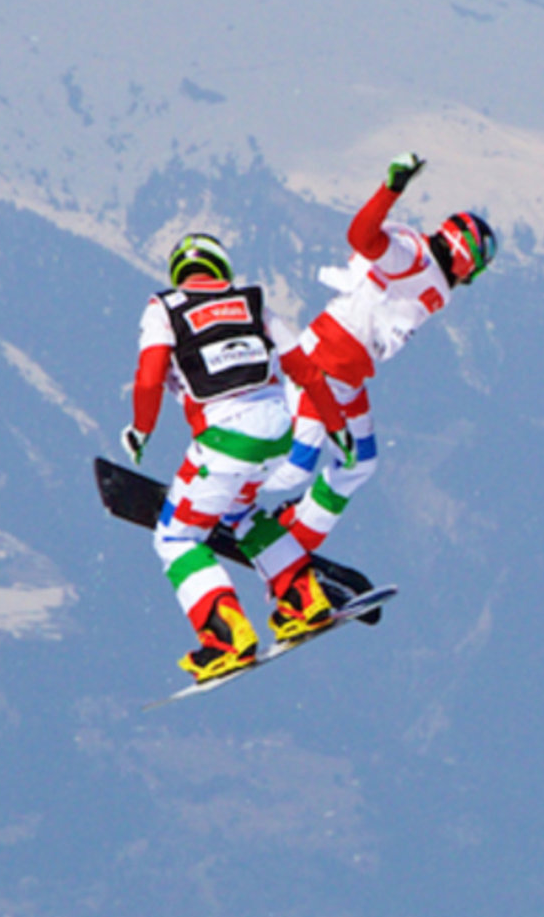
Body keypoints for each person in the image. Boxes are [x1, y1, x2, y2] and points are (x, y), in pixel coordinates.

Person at [244, 153, 495, 637]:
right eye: (474, 270)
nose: (469, 281)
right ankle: (224, 498)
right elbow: (361, 236)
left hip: (348, 378)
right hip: (321, 366)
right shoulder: (413, 255)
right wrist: (392, 187)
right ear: (467, 256)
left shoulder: (432, 278)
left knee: (360, 464)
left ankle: (290, 538)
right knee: (296, 462)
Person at [123, 233, 352, 680]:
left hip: (225, 440)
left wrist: (140, 430)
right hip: (277, 432)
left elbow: (149, 378)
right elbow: (304, 367)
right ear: (221, 268)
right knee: (239, 513)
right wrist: (336, 426)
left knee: (176, 538)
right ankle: (304, 599)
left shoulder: (164, 307)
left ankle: (226, 637)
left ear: (178, 274)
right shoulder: (251, 301)